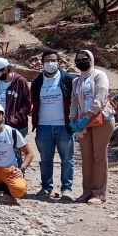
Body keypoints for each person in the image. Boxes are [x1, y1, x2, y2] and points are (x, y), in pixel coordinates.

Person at [70, 50, 115, 205]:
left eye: (84, 59)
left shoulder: (99, 75)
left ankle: (99, 193)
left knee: (99, 155)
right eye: (78, 59)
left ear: (91, 59)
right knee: (86, 157)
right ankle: (86, 191)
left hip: (100, 119)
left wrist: (88, 116)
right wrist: (72, 118)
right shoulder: (76, 81)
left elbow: (101, 97)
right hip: (83, 122)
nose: (81, 62)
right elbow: (74, 102)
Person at [32, 50, 76, 199]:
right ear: (42, 63)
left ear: (58, 62)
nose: (50, 63)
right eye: (47, 61)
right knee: (45, 159)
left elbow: (74, 101)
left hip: (64, 126)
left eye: (53, 60)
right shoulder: (37, 82)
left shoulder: (68, 79)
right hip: (43, 126)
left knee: (67, 159)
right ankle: (46, 187)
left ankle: (67, 189)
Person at [0, 57, 31, 137]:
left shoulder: (20, 81)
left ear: (5, 70)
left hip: (17, 126)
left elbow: (27, 103)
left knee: (15, 149)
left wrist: (15, 119)